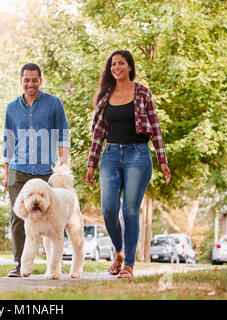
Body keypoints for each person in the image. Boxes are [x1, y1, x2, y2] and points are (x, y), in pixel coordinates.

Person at [86, 50, 171, 279]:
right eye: (113, 64)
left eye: (121, 63)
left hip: (138, 155)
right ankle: (120, 251)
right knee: (109, 209)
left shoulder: (143, 92)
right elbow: (98, 134)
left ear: (130, 67)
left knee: (130, 210)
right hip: (111, 155)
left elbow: (155, 127)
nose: (116, 67)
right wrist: (91, 163)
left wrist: (162, 161)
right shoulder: (106, 96)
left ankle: (129, 266)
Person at [3, 63, 70, 277]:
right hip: (18, 167)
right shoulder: (11, 108)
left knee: (51, 216)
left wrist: (62, 166)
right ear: (21, 80)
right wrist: (6, 173)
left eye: (34, 80)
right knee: (18, 216)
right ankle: (20, 264)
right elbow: (8, 141)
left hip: (46, 170)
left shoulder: (54, 104)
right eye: (26, 80)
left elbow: (63, 136)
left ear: (40, 80)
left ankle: (53, 265)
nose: (30, 84)